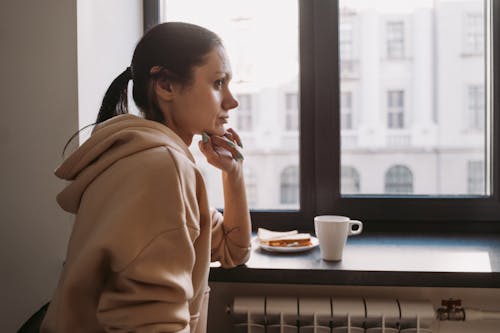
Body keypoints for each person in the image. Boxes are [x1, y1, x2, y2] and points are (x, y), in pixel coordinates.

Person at [40, 22, 252, 333]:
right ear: (165, 86)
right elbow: (152, 325)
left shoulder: (150, 158)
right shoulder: (161, 168)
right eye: (218, 82)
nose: (231, 101)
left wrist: (233, 174)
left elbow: (234, 250)